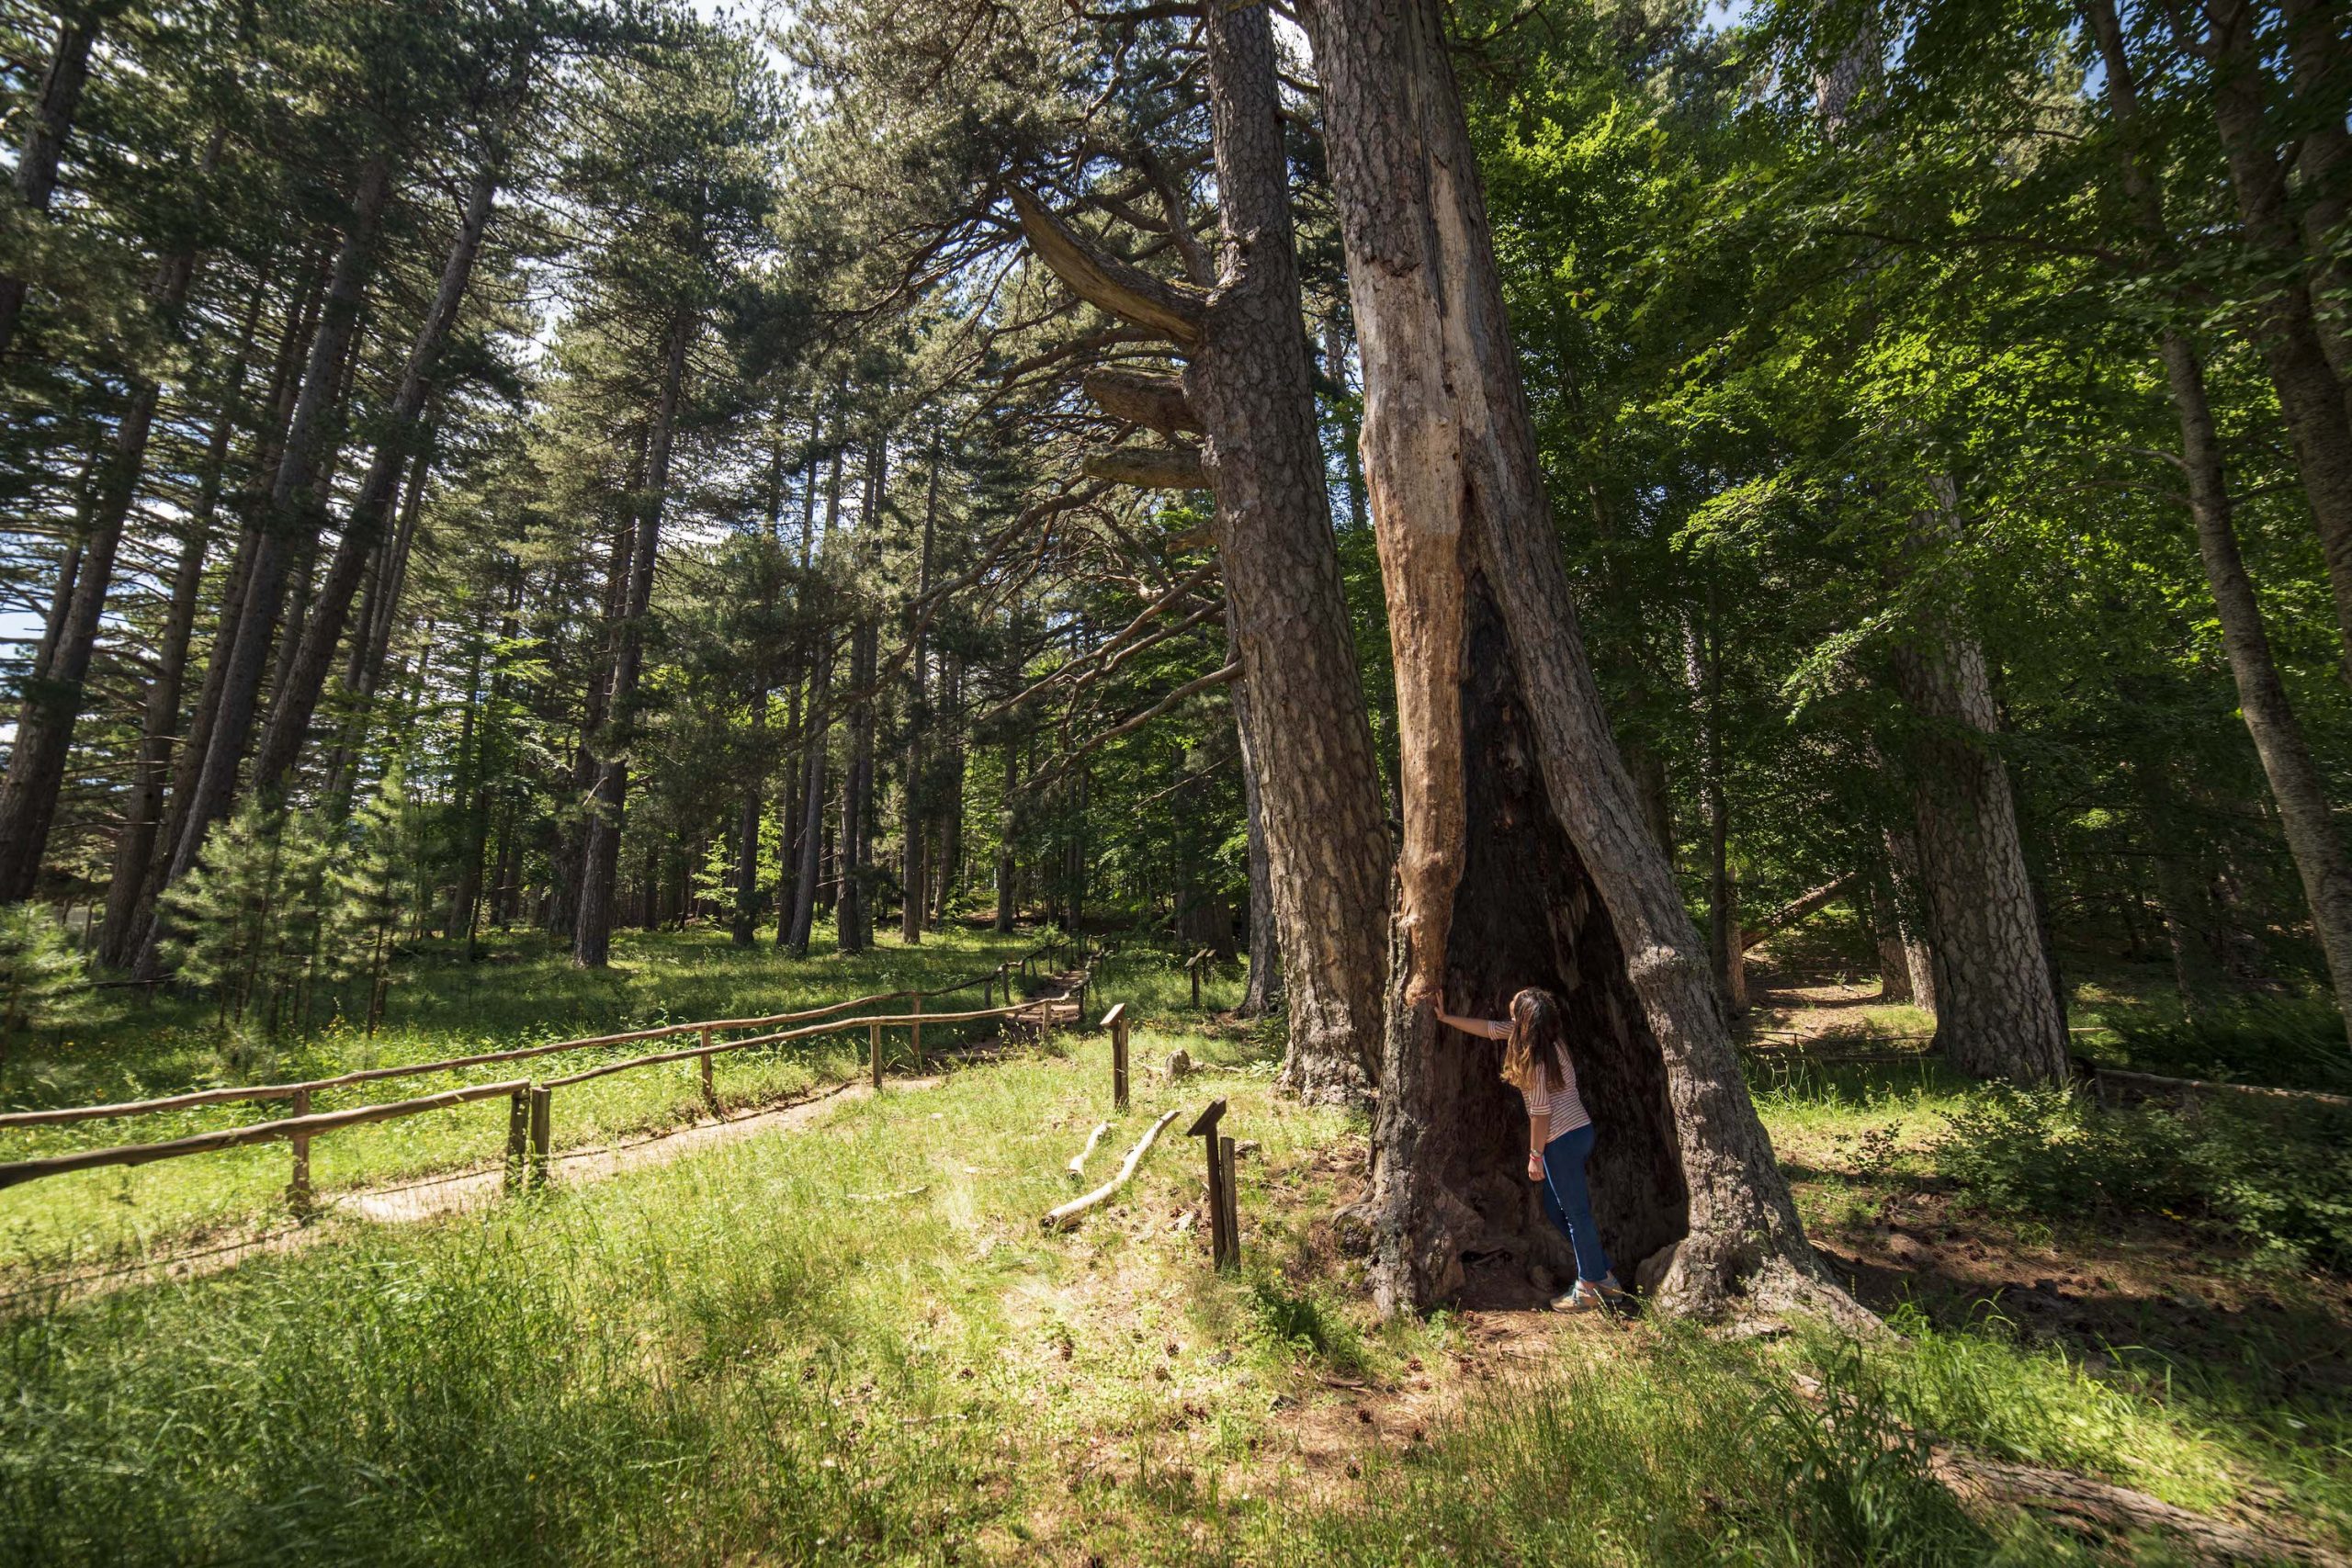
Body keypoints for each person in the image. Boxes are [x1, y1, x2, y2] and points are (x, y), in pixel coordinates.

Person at [1431, 987, 1631, 1313]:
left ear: (1523, 1020)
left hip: (1561, 1141)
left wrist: (1535, 1156)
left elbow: (1541, 1114)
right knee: (1557, 1209)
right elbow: (1489, 1029)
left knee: (1576, 1214)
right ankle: (1602, 1274)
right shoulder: (1543, 1039)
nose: (1511, 1002)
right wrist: (1445, 1018)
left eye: (1516, 1006)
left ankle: (1589, 1287)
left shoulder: (1537, 1059)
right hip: (1580, 1132)